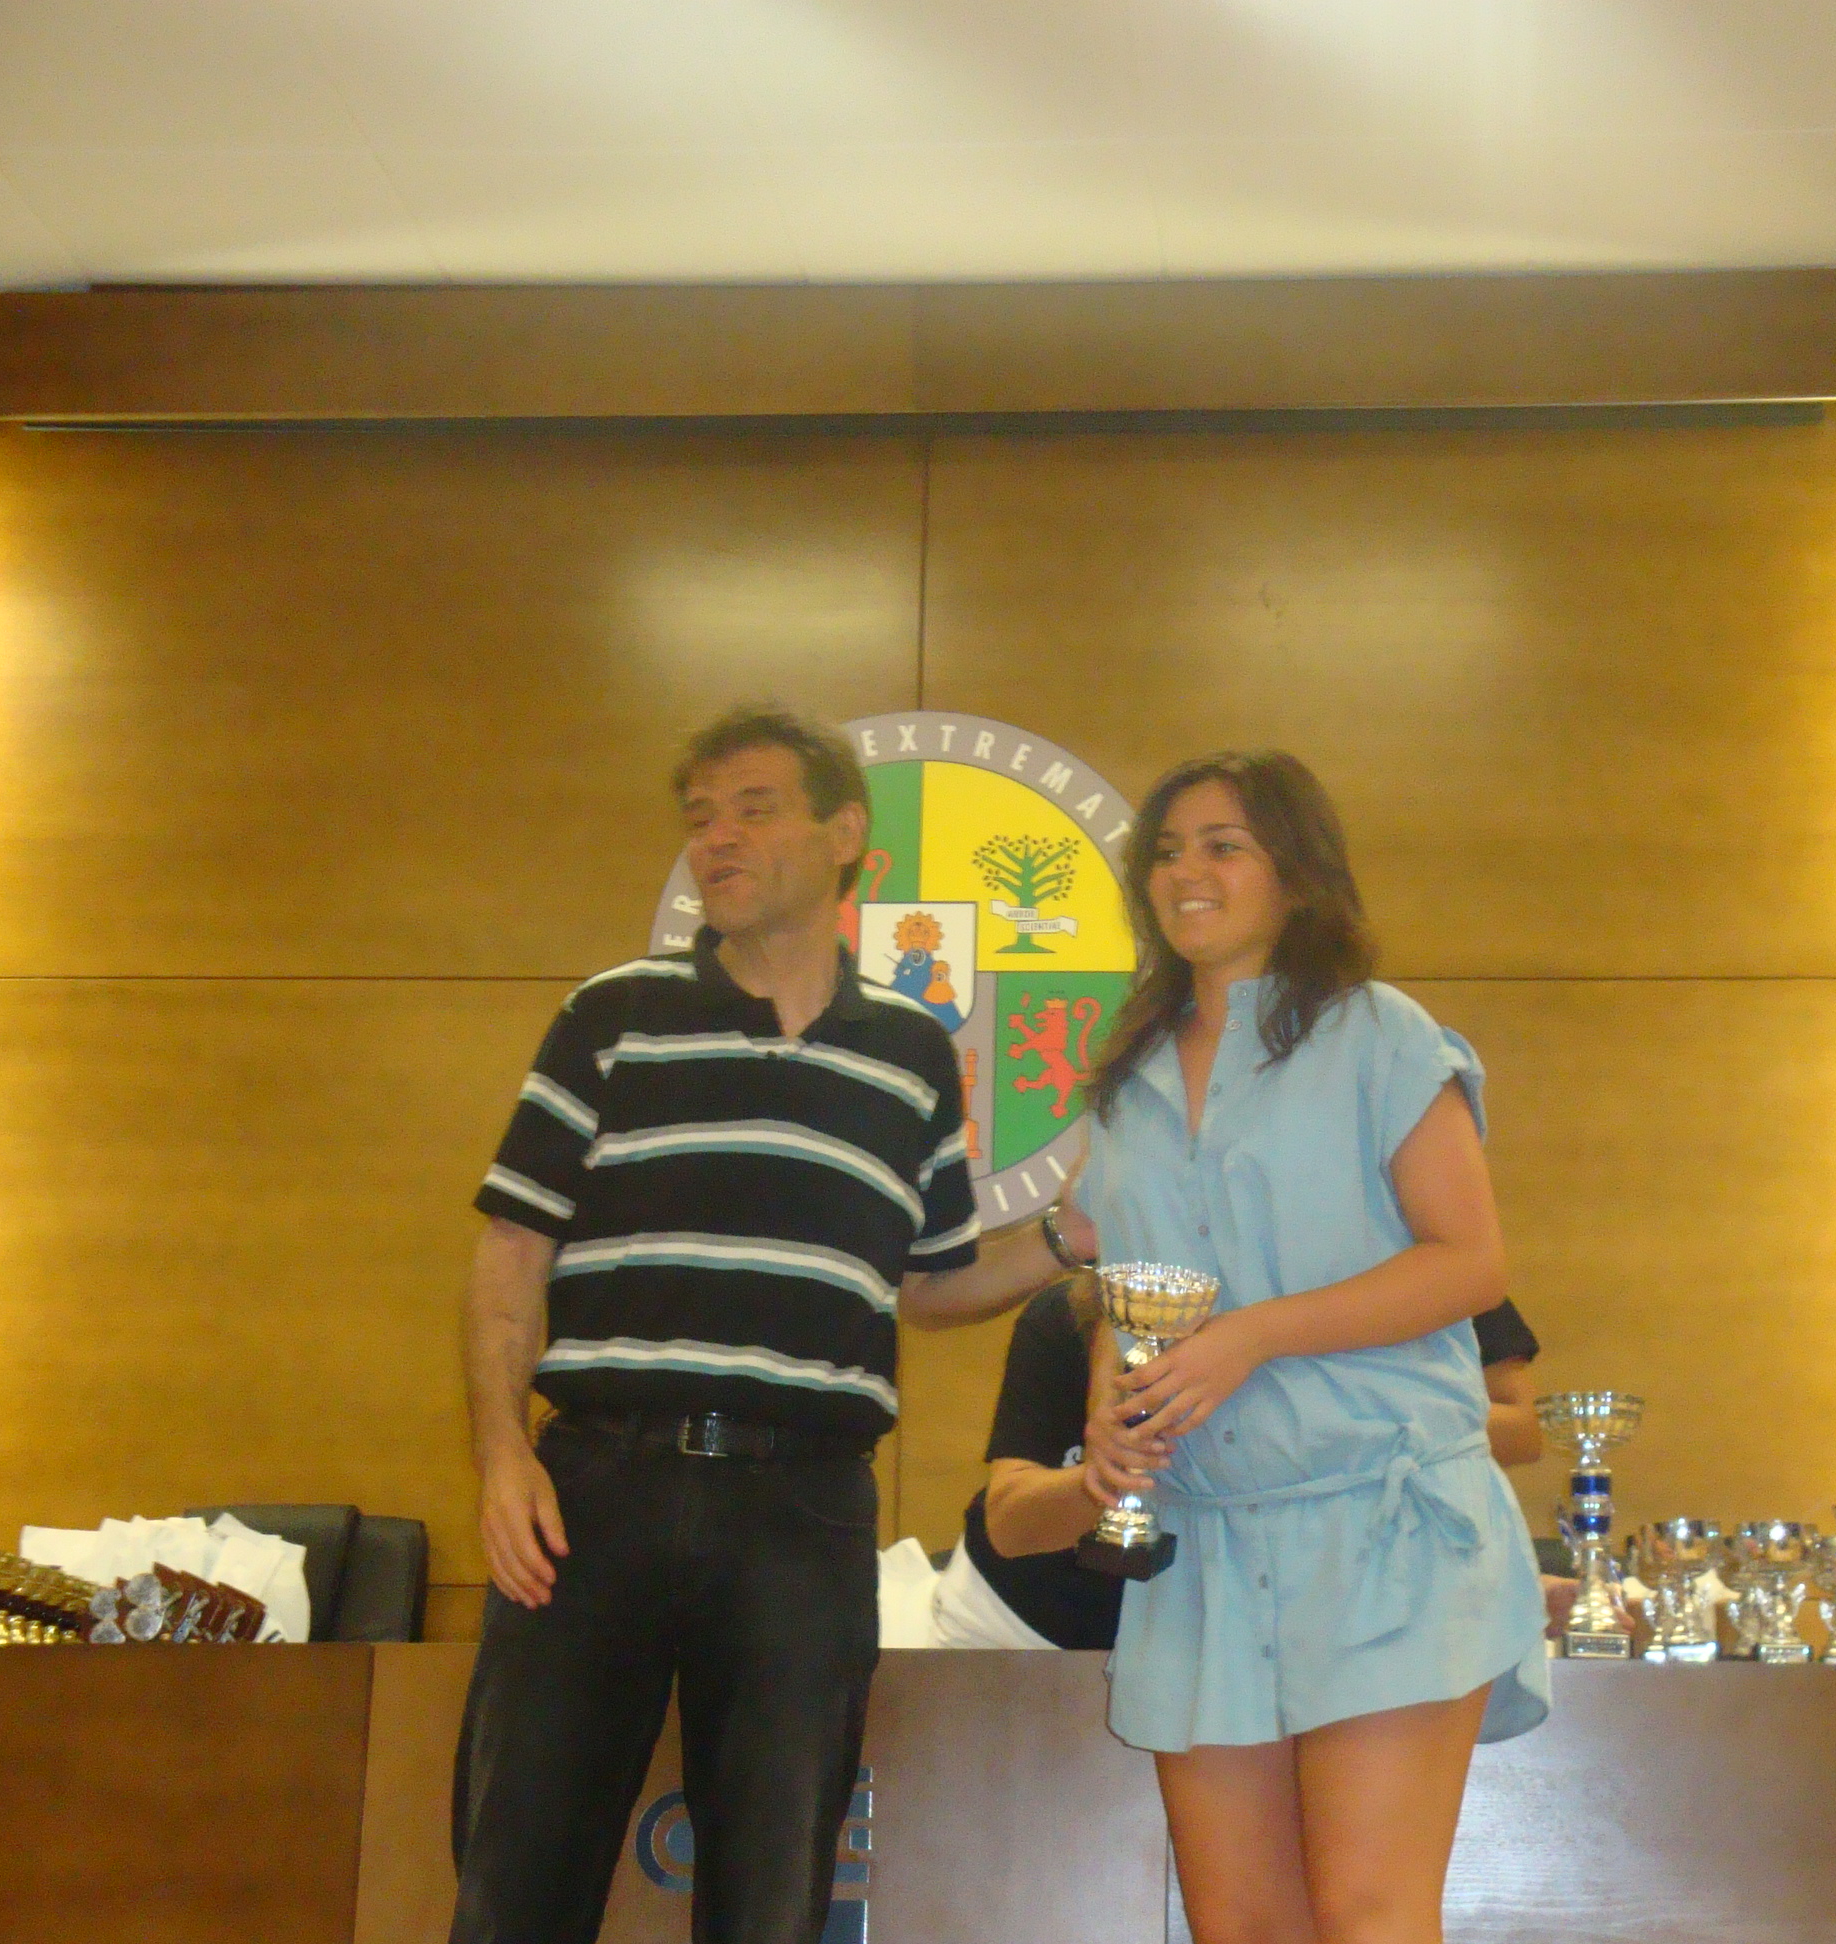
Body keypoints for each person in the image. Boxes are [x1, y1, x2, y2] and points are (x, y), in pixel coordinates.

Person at [449, 704, 1096, 1944]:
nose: (717, 839)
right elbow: (511, 1247)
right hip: (592, 1494)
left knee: (775, 1898)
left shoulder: (911, 1055)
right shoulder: (610, 1015)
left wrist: (1066, 1241)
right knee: (515, 1882)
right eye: (700, 818)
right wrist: (501, 1455)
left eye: (753, 809)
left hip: (804, 1515)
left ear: (845, 834)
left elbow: (926, 1284)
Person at [1076, 749, 1550, 1944]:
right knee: (1240, 1927)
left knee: (1367, 1913)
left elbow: (1470, 1261)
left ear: (1296, 873)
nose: (1185, 871)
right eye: (1166, 851)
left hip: (1381, 1525)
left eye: (1222, 845)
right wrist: (1108, 1412)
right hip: (1203, 1544)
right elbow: (1130, 1289)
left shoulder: (1380, 1033)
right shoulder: (1127, 1074)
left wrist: (1254, 1338)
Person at [929, 1290, 1556, 1652]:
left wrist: (1338, 1403)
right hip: (1033, 1630)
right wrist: (1112, 1477)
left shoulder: (1409, 1268)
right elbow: (1010, 1524)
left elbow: (1521, 1429)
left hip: (1255, 1635)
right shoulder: (1089, 1303)